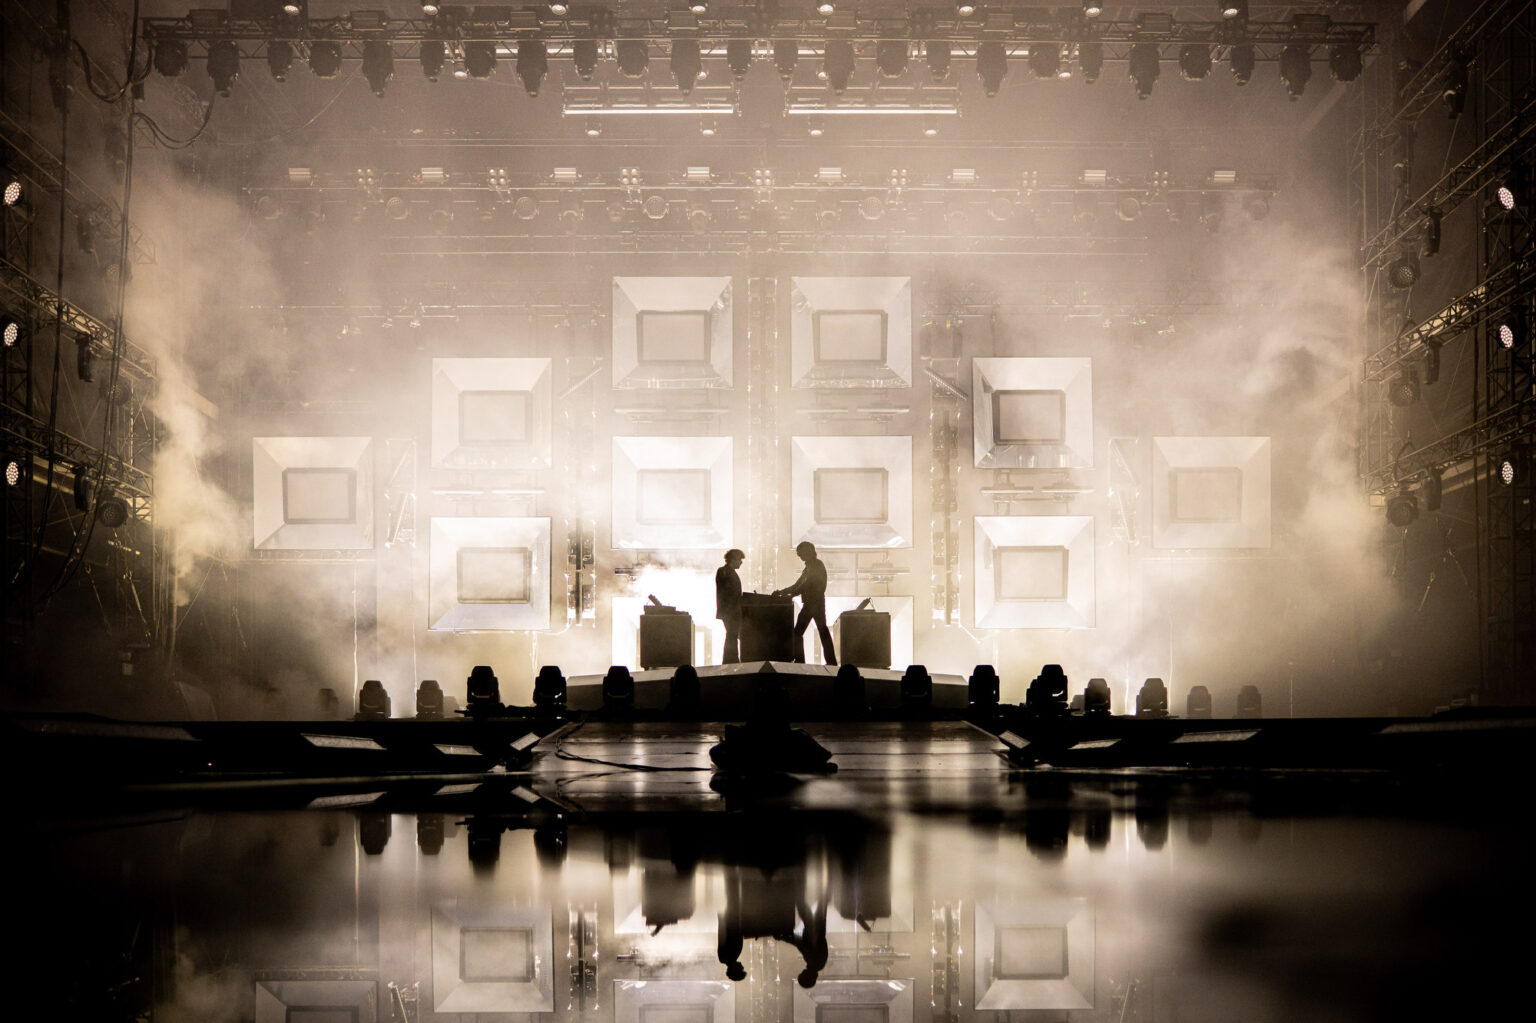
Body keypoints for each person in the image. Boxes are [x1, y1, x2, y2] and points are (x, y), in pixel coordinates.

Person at [773, 541, 836, 666]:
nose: (799, 556)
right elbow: (799, 585)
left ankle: (801, 661)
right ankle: (830, 661)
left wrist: (787, 593)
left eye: (800, 553)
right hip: (815, 603)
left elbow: (804, 585)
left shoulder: (813, 566)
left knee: (798, 633)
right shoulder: (813, 566)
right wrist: (783, 592)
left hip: (812, 604)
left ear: (807, 552)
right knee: (821, 631)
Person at [716, 548, 745, 664]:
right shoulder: (725, 572)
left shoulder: (725, 571)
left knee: (732, 636)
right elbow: (729, 593)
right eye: (740, 560)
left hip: (729, 611)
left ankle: (730, 661)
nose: (741, 562)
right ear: (733, 559)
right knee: (732, 636)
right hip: (730, 611)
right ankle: (731, 661)